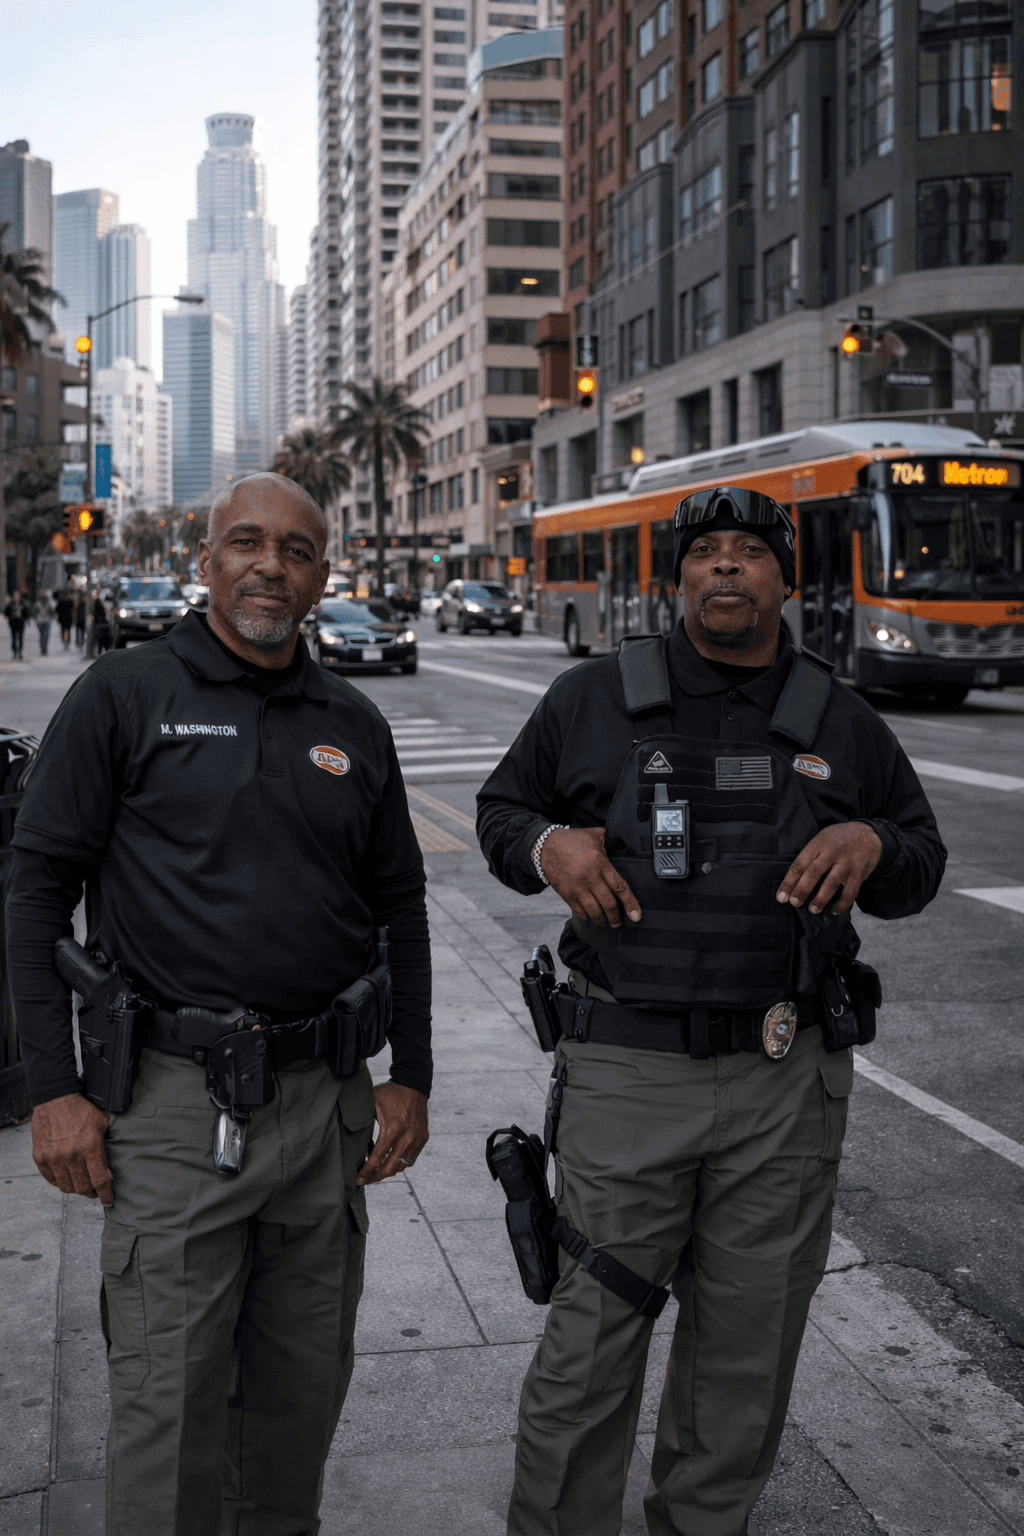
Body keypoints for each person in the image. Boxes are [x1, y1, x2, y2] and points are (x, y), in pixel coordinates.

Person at [476, 486, 946, 1536]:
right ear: (677, 577)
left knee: (745, 1351)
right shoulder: (592, 698)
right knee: (590, 1340)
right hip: (626, 1074)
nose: (726, 568)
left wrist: (872, 845)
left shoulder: (841, 718)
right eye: (706, 553)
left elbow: (918, 861)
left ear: (785, 579)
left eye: (749, 552)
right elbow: (502, 811)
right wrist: (547, 845)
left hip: (786, 1080)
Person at [5, 473, 432, 1536]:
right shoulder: (123, 691)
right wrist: (54, 1089)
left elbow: (401, 906)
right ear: (207, 562)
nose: (270, 567)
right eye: (247, 543)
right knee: (167, 1422)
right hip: (172, 1115)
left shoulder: (352, 721)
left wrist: (411, 1075)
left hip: (323, 1112)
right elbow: (35, 892)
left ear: (321, 574)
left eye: (296, 550)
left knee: (295, 1417)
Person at [5, 589, 28, 659]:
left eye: (18, 596)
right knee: (14, 637)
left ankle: (20, 651)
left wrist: (24, 618)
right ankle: (15, 651)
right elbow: (6, 612)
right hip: (13, 622)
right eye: (15, 596)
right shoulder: (10, 604)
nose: (16, 597)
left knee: (21, 637)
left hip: (20, 622)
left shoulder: (22, 603)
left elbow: (26, 613)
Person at [34, 591, 53, 656]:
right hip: (40, 621)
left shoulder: (48, 604)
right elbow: (34, 612)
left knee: (46, 635)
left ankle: (45, 649)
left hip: (47, 620)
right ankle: (42, 649)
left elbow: (52, 611)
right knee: (42, 636)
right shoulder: (37, 603)